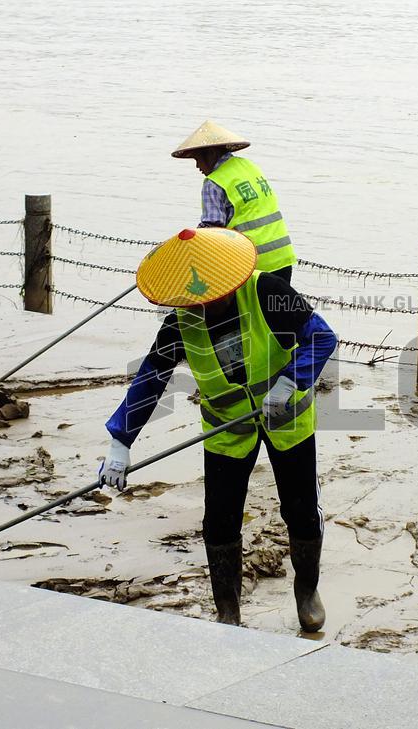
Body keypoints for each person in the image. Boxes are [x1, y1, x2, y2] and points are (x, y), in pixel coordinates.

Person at [99, 227, 336, 631]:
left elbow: (321, 338)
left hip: (287, 419)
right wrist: (120, 442)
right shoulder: (181, 322)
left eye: (213, 297)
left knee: (299, 510)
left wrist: (291, 380)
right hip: (227, 430)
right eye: (197, 301)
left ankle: (306, 591)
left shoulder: (267, 292)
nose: (206, 306)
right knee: (220, 521)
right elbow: (151, 378)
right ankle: (228, 613)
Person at [172, 120, 297, 282]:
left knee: (245, 308)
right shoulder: (249, 166)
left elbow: (212, 229)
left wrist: (184, 247)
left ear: (210, 153)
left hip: (252, 268)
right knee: (277, 307)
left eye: (197, 159)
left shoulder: (214, 182)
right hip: (282, 260)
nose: (198, 167)